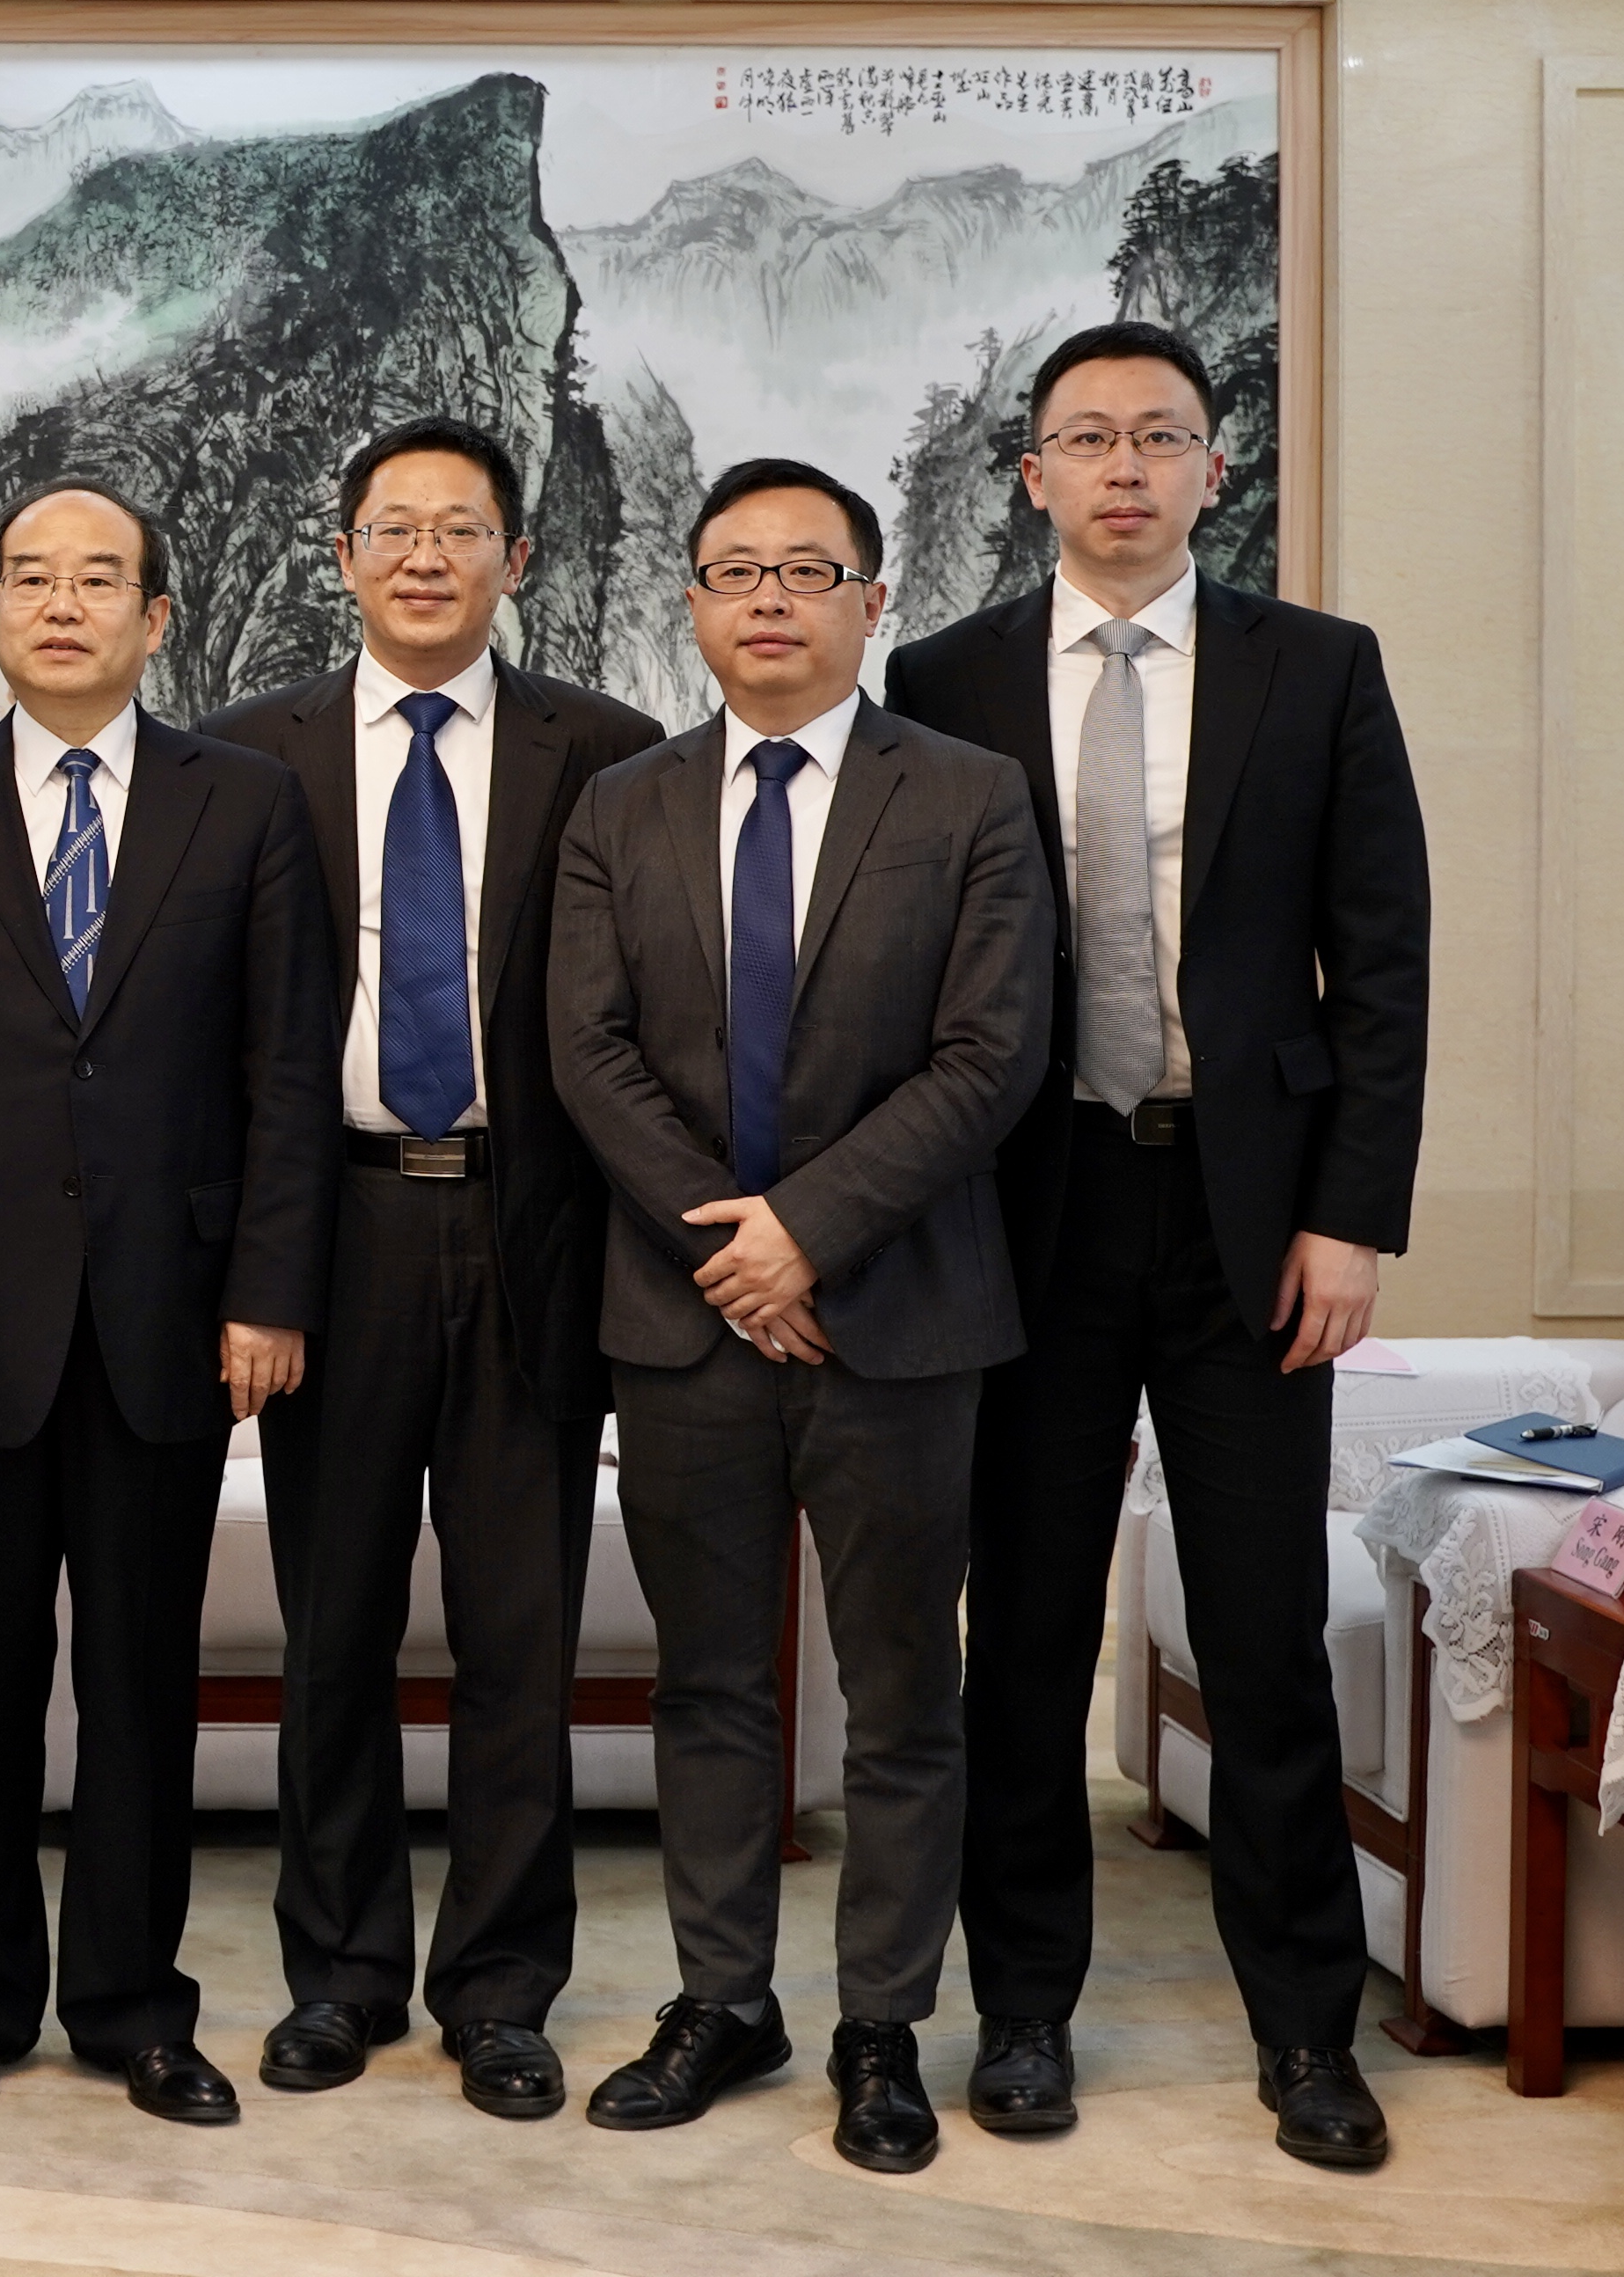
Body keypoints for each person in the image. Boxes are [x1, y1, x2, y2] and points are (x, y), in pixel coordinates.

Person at [889, 323, 1430, 2173]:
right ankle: (1025, 2013)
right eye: (1088, 438)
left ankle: (1308, 2029)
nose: (1124, 467)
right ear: (1031, 473)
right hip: (1026, 1207)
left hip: (1248, 1214)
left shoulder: (1318, 667)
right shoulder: (944, 676)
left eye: (1160, 436)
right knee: (1026, 1635)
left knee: (1265, 1635)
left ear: (1217, 465)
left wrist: (1351, 1214)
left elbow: (1384, 959)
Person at [547, 457, 1047, 2175]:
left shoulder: (969, 796)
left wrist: (809, 1237)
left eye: (807, 569)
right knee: (707, 1687)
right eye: (736, 569)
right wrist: (734, 1253)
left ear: (871, 601)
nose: (770, 597)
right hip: (687, 1321)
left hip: (899, 1318)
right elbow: (588, 1050)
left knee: (902, 1697)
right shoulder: (622, 804)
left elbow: (991, 1053)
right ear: (693, 602)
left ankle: (880, 2027)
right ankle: (723, 2000)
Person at [0, 478, 329, 2130]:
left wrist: (269, 1290)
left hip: (168, 1313)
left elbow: (283, 1075)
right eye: (30, 578)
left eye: (99, 579)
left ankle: (132, 2008)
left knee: (138, 1684)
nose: (62, 604)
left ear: (154, 617)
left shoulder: (245, 805)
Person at [208, 415, 663, 2117]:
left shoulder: (604, 752)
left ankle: (500, 1989)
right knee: (330, 1629)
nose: (423, 556)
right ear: (343, 557)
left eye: (459, 529)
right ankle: (337, 1978)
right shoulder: (248, 755)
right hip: (329, 1231)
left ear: (513, 559)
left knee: (516, 1640)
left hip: (527, 1227)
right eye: (391, 528)